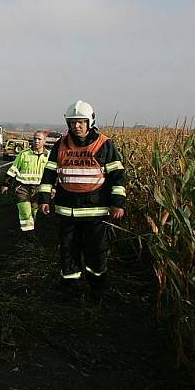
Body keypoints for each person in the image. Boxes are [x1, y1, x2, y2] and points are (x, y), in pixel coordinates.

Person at [38, 100, 126, 301]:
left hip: (96, 212)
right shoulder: (60, 145)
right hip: (67, 211)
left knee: (96, 253)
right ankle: (70, 288)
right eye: (72, 122)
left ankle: (97, 291)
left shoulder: (104, 144)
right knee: (68, 251)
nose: (76, 126)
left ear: (90, 121)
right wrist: (44, 198)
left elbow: (118, 176)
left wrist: (117, 203)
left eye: (81, 122)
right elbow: (49, 173)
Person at [0, 130, 49, 240]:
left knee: (34, 212)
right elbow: (13, 169)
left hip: (39, 189)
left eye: (39, 139)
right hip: (22, 188)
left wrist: (53, 188)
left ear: (44, 141)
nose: (36, 141)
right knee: (25, 211)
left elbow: (52, 174)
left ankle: (30, 232)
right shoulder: (24, 154)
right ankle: (28, 238)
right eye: (35, 138)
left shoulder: (48, 156)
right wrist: (6, 184)